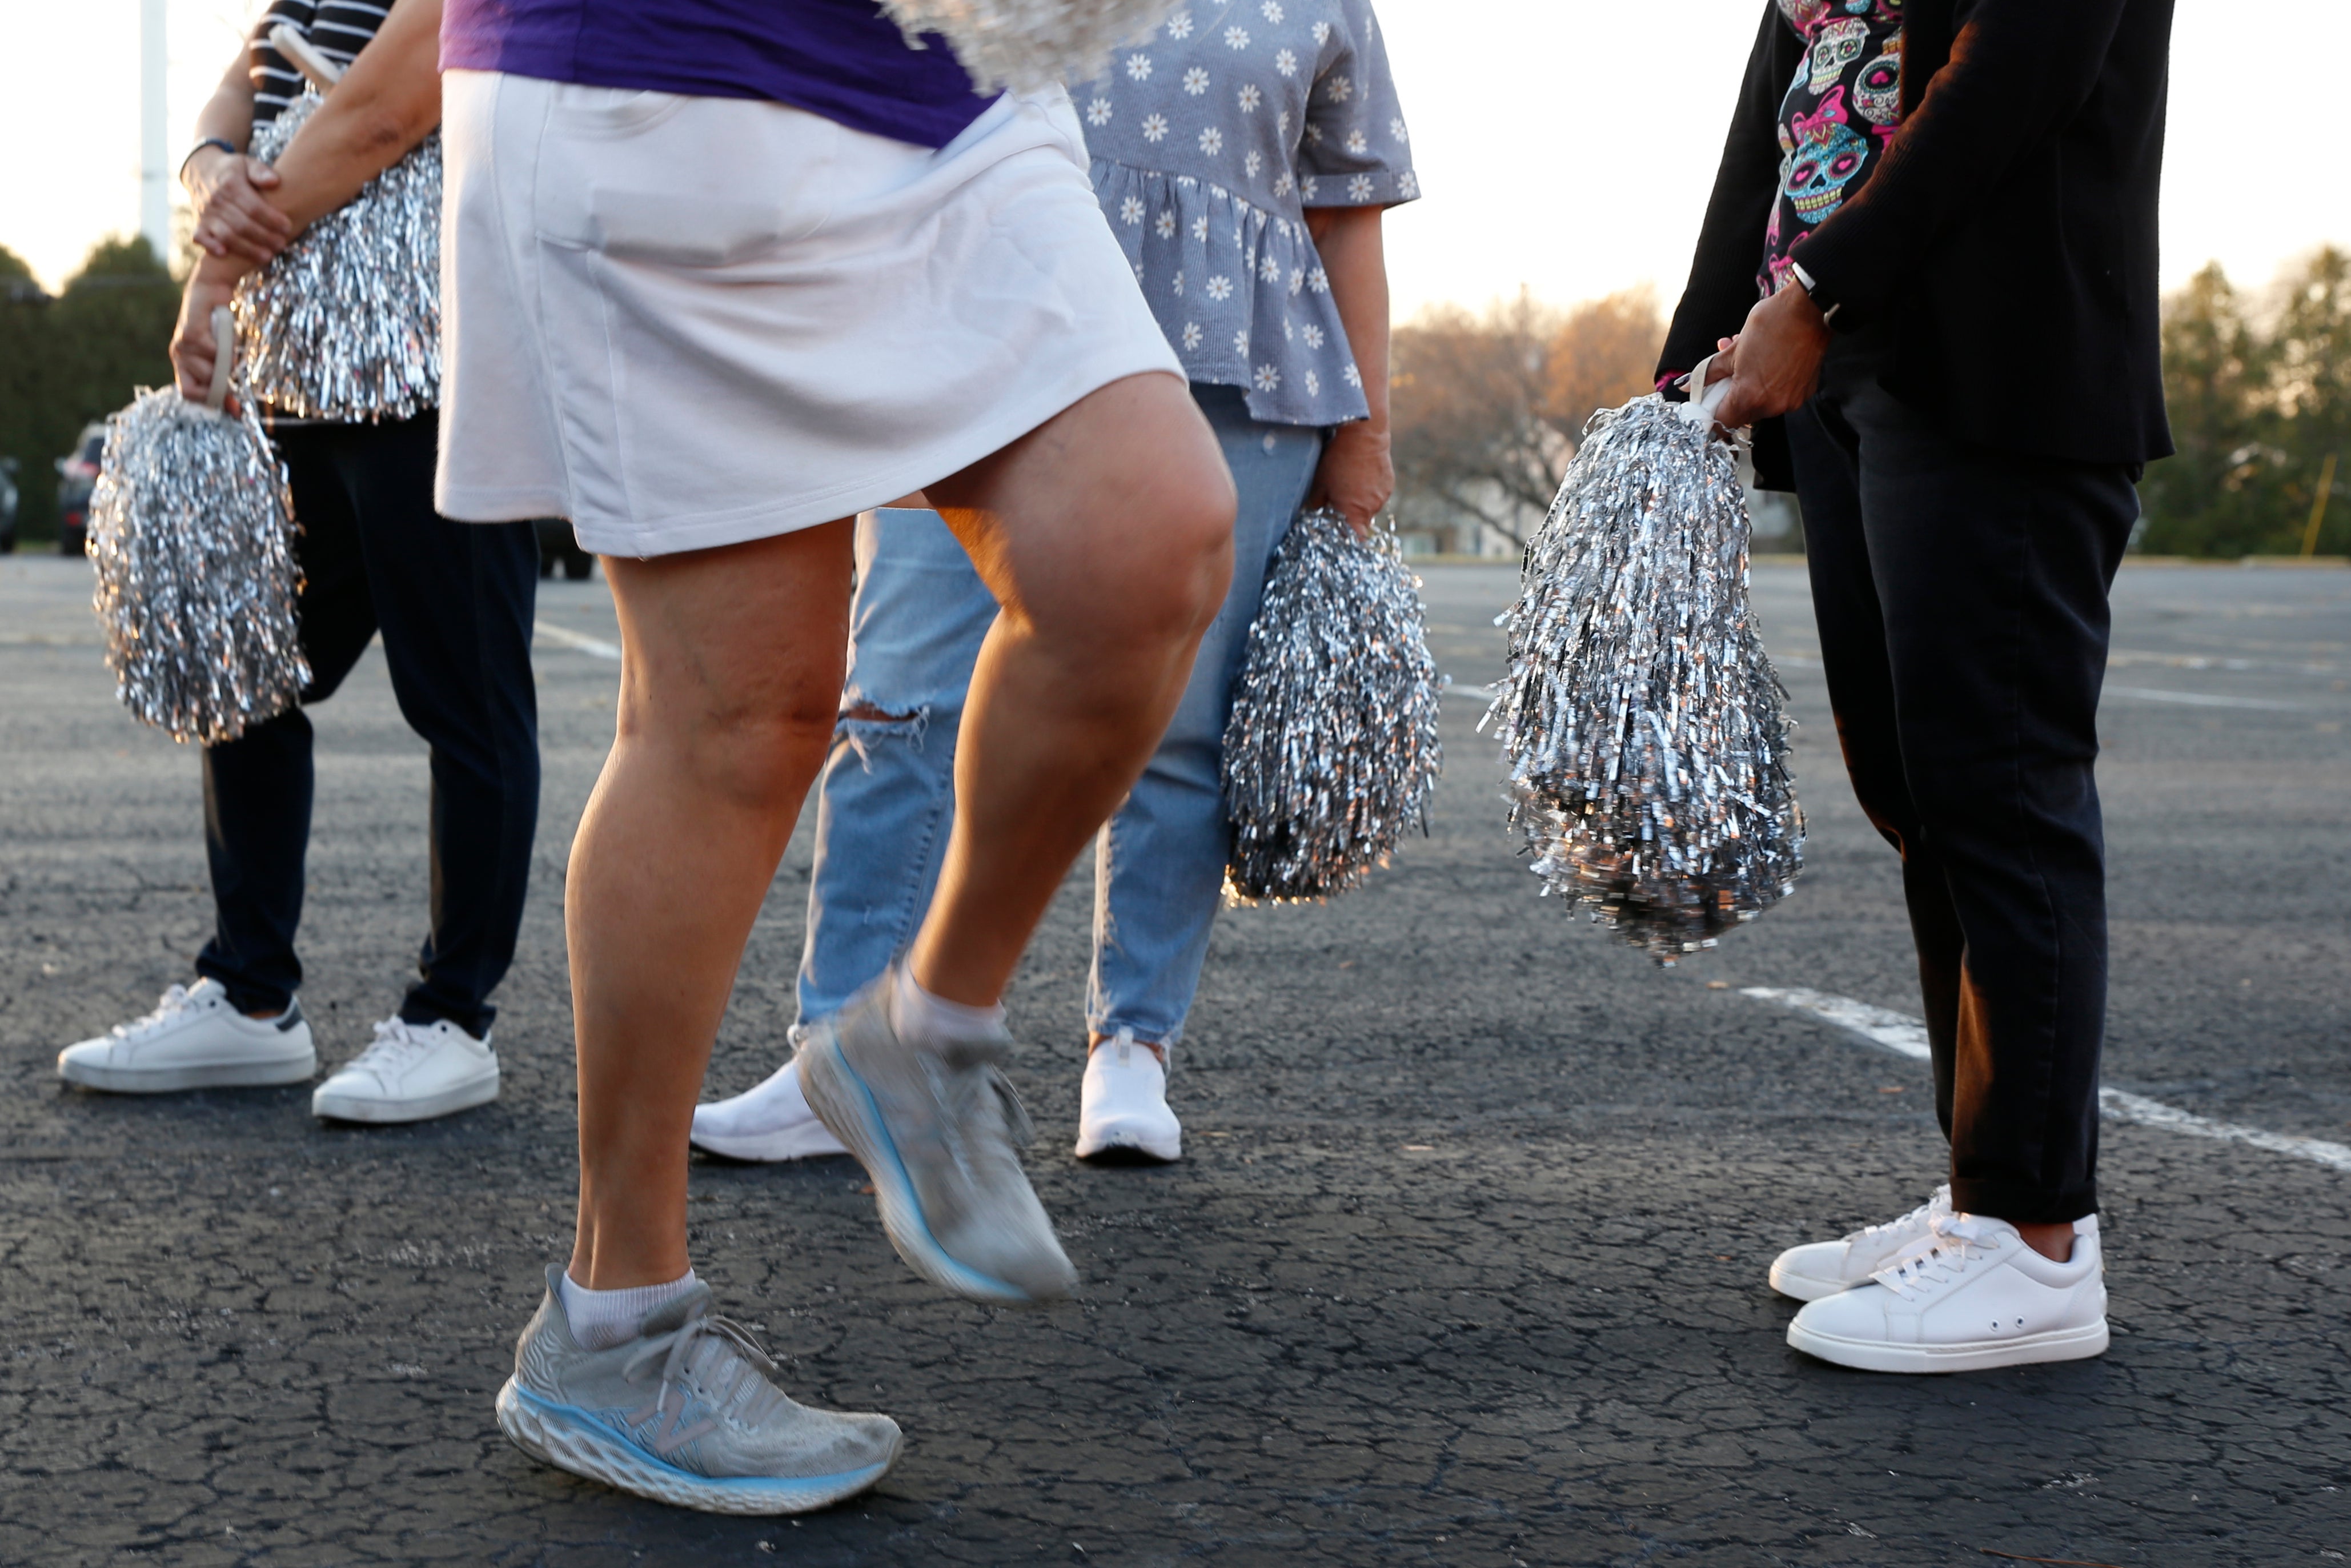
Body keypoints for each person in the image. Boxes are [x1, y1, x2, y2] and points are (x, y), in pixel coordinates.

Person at [432, 0, 1238, 1514]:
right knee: (745, 713)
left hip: (960, 77)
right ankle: (616, 1323)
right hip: (661, 70)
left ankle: (920, 1032)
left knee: (1143, 541)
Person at [690, 0, 1418, 1170]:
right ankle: (840, 1049)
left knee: (1175, 733)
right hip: (970, 338)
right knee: (895, 707)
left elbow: (1347, 212)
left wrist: (1366, 437)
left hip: (1238, 370)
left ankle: (1132, 1046)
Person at [1660, 0, 2175, 1372]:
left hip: (1998, 353)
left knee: (2002, 787)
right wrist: (1707, 335)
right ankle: (1982, 1197)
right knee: (1925, 795)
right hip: (1853, 363)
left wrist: (1821, 289)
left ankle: (2035, 1240)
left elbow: (2024, 59)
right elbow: (1791, 80)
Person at [57, 0, 541, 1128]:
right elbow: (251, 71)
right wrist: (207, 165)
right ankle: (249, 991)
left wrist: (213, 267)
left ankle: (451, 1015)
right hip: (295, 366)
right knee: (247, 674)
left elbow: (381, 111)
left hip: (432, 361)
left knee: (464, 702)